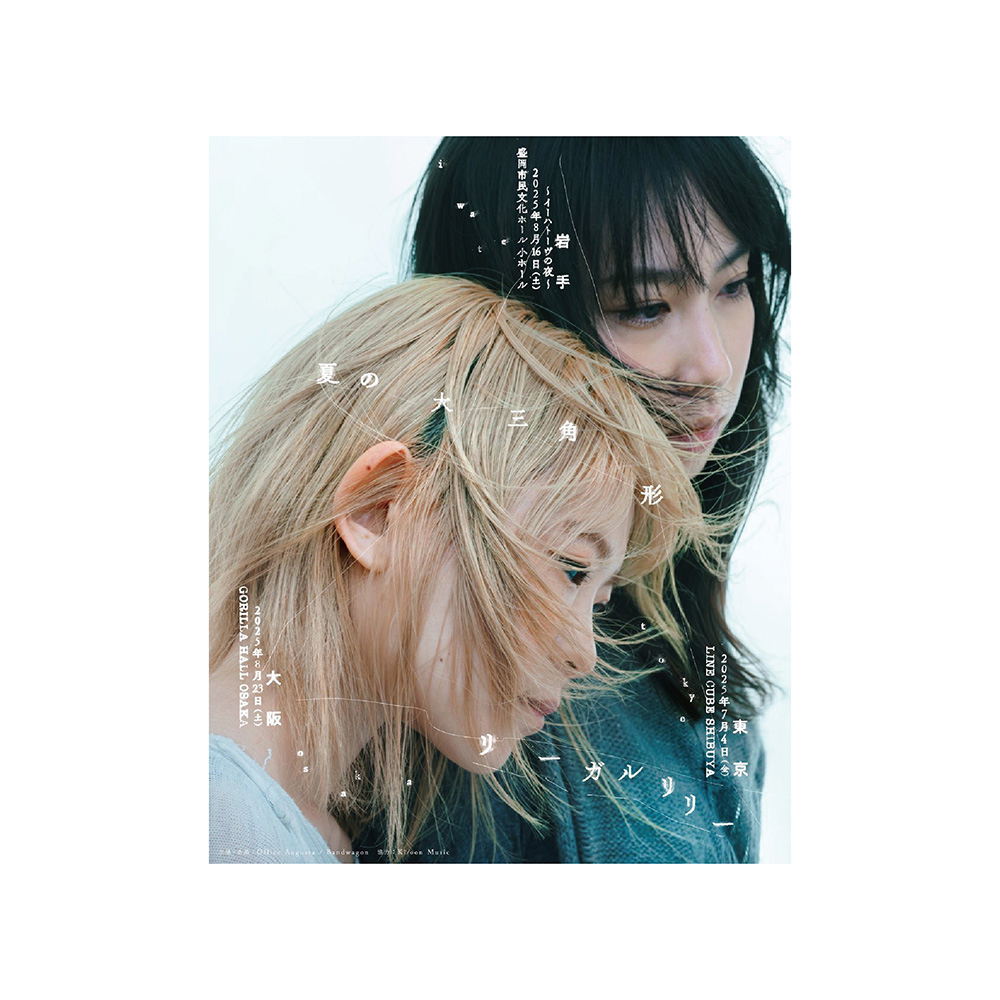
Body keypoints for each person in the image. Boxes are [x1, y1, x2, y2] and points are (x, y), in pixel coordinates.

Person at [356, 137, 791, 863]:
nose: (713, 366)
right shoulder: (463, 708)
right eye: (645, 306)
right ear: (507, 319)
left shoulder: (690, 667)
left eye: (734, 285)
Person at [209, 275, 723, 863]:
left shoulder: (271, 825)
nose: (585, 655)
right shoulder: (223, 821)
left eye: (597, 602)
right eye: (571, 569)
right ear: (379, 509)